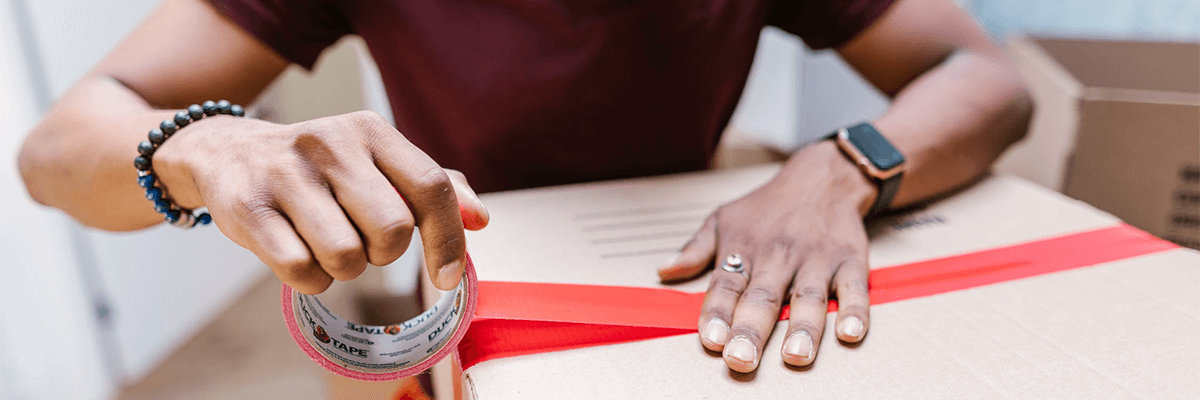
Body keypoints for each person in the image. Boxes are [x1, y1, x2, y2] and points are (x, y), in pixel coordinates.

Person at [18, 0, 1031, 375]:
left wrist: (837, 164)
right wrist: (209, 144)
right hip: (470, 306)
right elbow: (56, 151)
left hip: (680, 289)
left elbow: (990, 80)